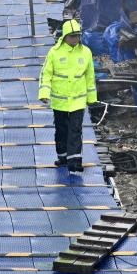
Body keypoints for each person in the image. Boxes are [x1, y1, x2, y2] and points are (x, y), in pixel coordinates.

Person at [38, 19, 97, 172]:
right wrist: (44, 93)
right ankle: (63, 156)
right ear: (64, 36)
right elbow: (46, 74)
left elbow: (90, 76)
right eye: (72, 36)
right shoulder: (54, 52)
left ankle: (75, 160)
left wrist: (92, 98)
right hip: (60, 101)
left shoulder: (86, 52)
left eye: (77, 36)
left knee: (75, 130)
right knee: (61, 130)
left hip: (78, 101)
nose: (75, 39)